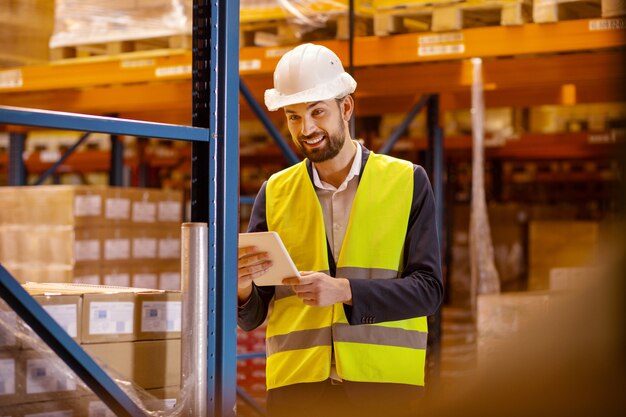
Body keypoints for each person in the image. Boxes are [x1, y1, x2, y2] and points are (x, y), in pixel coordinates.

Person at [237, 43, 443, 417]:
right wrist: (242, 289)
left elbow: (429, 291)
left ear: (346, 107)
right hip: (297, 391)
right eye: (294, 117)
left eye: (317, 112)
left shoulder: (407, 181)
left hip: (384, 388)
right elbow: (252, 317)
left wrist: (345, 292)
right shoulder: (275, 191)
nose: (307, 129)